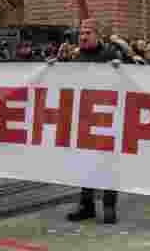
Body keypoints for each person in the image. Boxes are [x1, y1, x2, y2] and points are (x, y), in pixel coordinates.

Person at [47, 18, 123, 224]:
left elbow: (128, 80)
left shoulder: (110, 55)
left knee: (107, 163)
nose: (83, 36)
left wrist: (120, 68)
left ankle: (109, 205)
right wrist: (53, 68)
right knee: (85, 163)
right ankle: (86, 205)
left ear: (98, 35)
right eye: (81, 33)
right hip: (83, 119)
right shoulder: (76, 57)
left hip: (106, 119)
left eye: (87, 32)